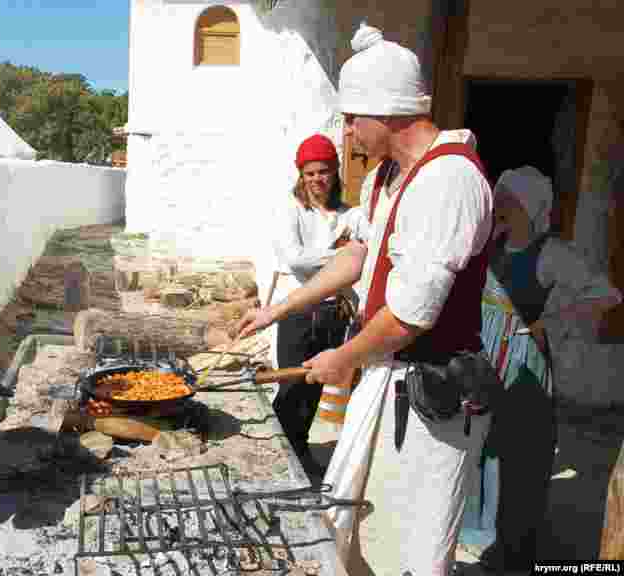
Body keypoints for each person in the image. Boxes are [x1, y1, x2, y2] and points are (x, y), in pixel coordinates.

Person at [234, 23, 494, 576]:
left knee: (412, 548)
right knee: (355, 533)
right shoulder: (384, 179)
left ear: (389, 109)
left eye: (353, 117)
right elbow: (357, 256)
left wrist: (342, 358)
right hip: (382, 378)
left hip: (430, 395)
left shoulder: (449, 180)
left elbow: (409, 317)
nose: (348, 131)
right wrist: (278, 311)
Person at [459, 166, 621, 569]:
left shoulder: (552, 254)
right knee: (487, 455)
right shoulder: (493, 245)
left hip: (527, 373)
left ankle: (516, 553)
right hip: (488, 367)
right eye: (499, 197)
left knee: (523, 463)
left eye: (508, 200)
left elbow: (606, 295)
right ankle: (488, 540)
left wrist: (551, 322)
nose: (499, 205)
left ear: (530, 207)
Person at [265, 133, 367, 479]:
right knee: (292, 386)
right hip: (297, 312)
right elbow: (296, 259)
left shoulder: (350, 214)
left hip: (333, 312)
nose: (317, 179)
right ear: (301, 175)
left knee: (316, 385)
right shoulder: (291, 210)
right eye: (309, 173)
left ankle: (300, 451)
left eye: (323, 171)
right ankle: (280, 457)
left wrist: (346, 257)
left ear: (335, 172)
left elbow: (368, 249)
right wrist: (343, 255)